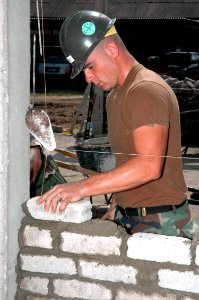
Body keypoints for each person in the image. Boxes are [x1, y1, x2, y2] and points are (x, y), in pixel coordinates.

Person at [37, 10, 199, 239]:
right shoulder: (117, 95)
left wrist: (81, 187)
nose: (88, 78)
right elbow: (129, 160)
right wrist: (118, 203)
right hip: (132, 215)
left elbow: (148, 166)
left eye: (90, 66)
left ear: (112, 49)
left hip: (162, 224)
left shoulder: (145, 90)